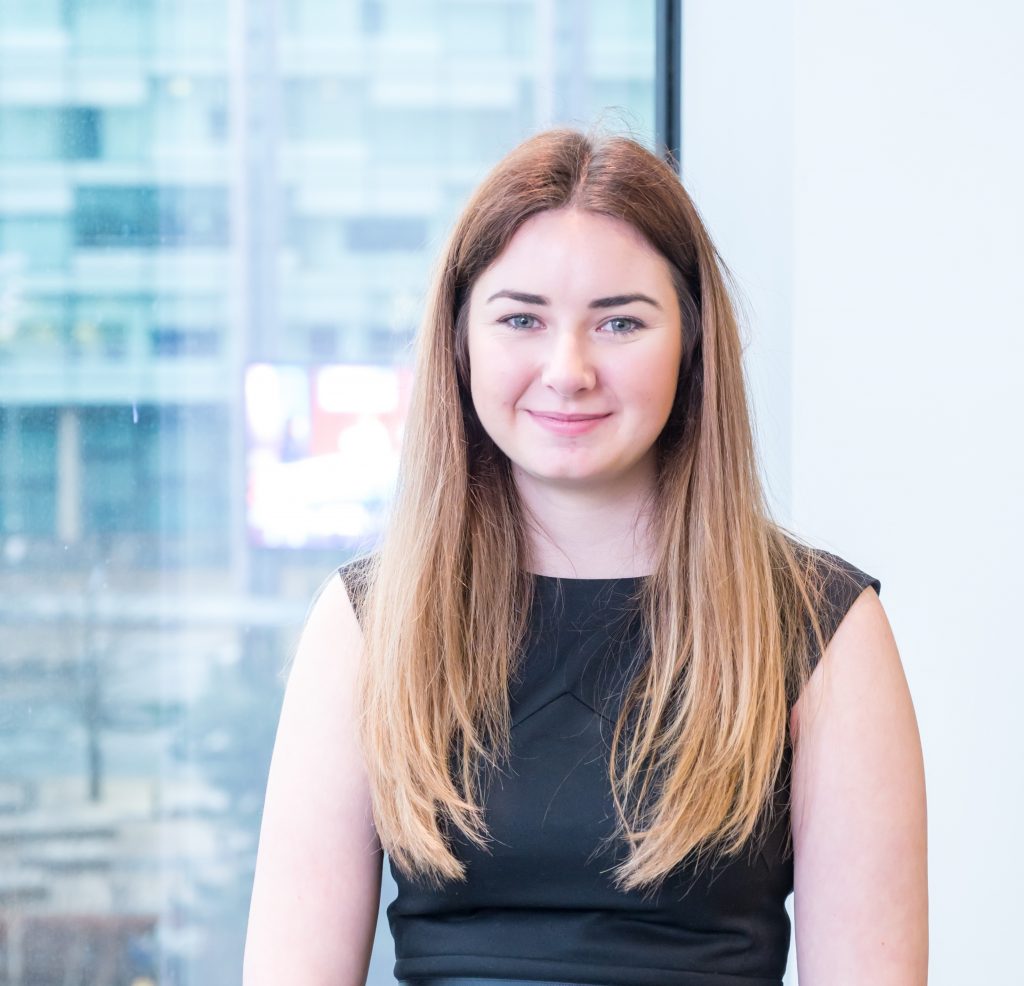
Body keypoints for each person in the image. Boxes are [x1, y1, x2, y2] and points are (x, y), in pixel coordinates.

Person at [243, 129, 928, 986]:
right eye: (522, 318)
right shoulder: (365, 626)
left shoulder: (826, 631)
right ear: (460, 342)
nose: (568, 370)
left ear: (693, 342)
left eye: (620, 322)